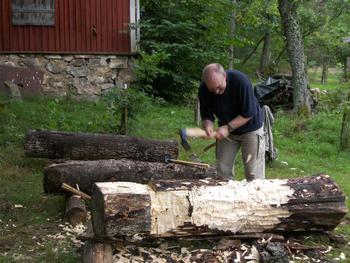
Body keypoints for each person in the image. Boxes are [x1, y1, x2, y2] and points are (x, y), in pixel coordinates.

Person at [198, 63, 265, 181]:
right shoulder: (204, 89)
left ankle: (256, 196)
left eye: (219, 87)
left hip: (251, 128)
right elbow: (206, 114)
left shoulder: (240, 81)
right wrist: (208, 127)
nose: (217, 92)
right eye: (212, 89)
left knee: (253, 173)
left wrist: (227, 128)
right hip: (227, 132)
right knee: (222, 172)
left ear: (225, 76)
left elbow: (248, 112)